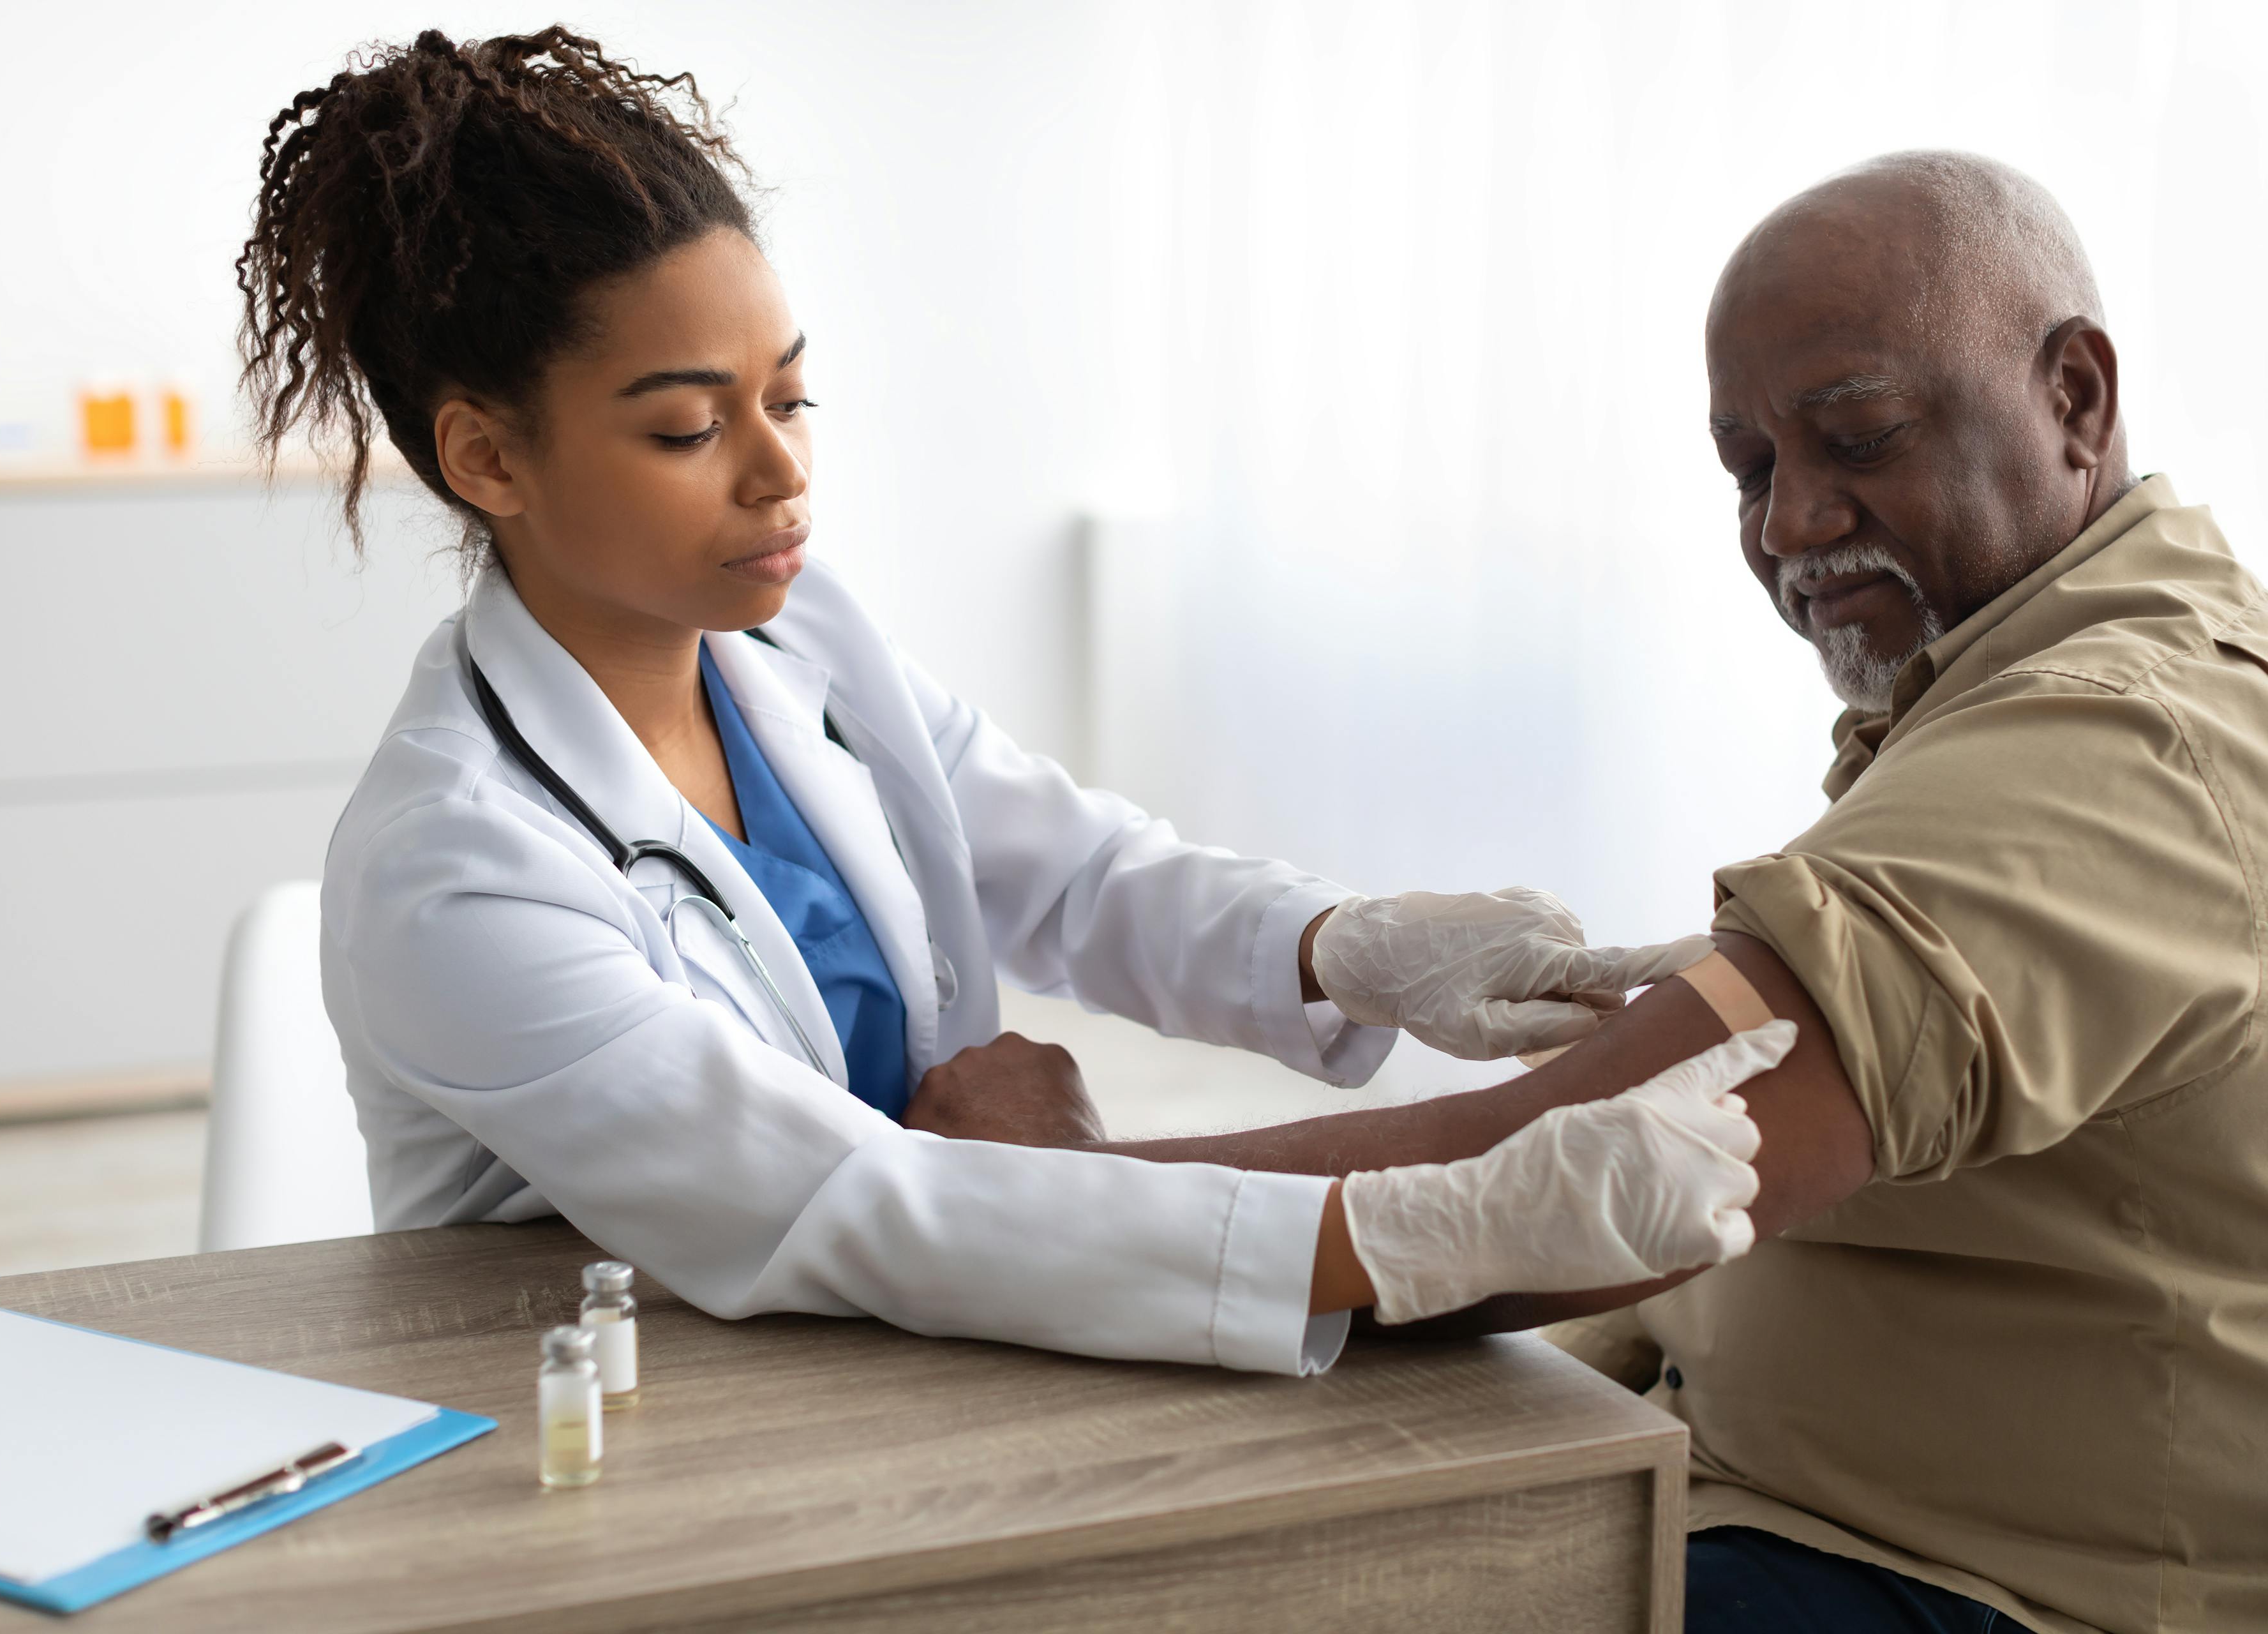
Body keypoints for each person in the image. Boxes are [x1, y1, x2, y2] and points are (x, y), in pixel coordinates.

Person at [934, 151, 2268, 1633]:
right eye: (1752, 470)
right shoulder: (2075, 665)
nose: (1791, 525)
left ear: (2075, 396)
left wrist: (1062, 1188)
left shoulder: (2117, 743)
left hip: (1995, 1584)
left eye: (1857, 436)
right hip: (1852, 1501)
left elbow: (1556, 1174)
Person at [245, 28, 1772, 1379]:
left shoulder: (796, 644)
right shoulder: (453, 861)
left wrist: (1347, 947)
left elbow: (1075, 870)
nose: (781, 470)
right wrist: (1407, 1228)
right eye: (692, 426)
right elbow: (843, 1199)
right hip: (636, 1411)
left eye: (790, 396)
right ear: (489, 459)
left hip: (907, 1347)